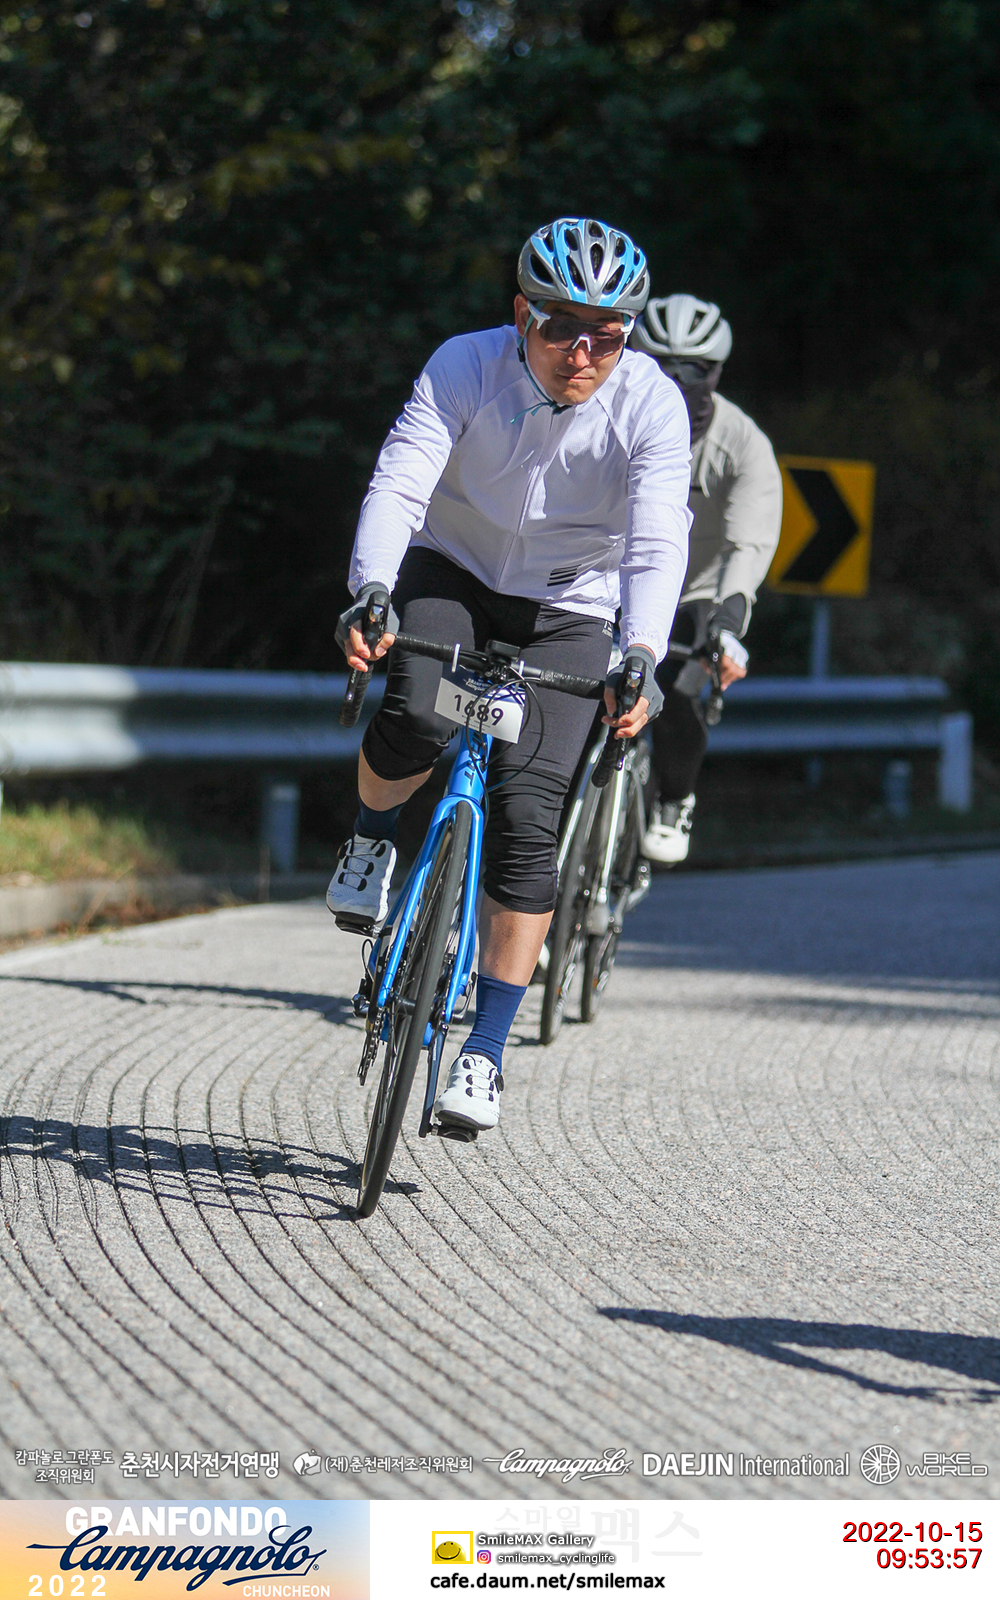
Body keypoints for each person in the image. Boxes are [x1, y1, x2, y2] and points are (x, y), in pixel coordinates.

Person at [327, 218, 692, 1133]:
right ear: (522, 314)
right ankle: (372, 838)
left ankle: (484, 1053)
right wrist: (372, 590)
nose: (583, 353)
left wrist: (641, 654)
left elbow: (658, 540)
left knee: (530, 824)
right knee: (416, 717)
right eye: (562, 327)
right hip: (453, 568)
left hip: (570, 607)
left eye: (607, 335)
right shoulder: (466, 364)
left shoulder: (650, 404)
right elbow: (401, 480)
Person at [630, 294, 782, 863]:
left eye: (694, 370)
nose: (677, 382)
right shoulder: (602, 414)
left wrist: (727, 624)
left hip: (693, 592)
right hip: (610, 578)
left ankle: (675, 798)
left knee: (678, 687)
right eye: (660, 365)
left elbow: (749, 544)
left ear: (716, 372)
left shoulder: (742, 444)